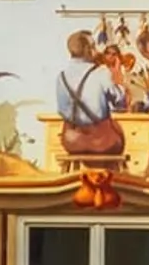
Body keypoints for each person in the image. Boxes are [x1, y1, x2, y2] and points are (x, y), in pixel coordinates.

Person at [54, 30, 129, 171]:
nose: (96, 50)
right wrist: (119, 81)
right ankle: (111, 180)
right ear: (87, 50)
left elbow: (62, 111)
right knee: (115, 129)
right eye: (94, 46)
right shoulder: (102, 72)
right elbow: (120, 102)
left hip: (71, 141)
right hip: (102, 143)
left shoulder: (61, 77)